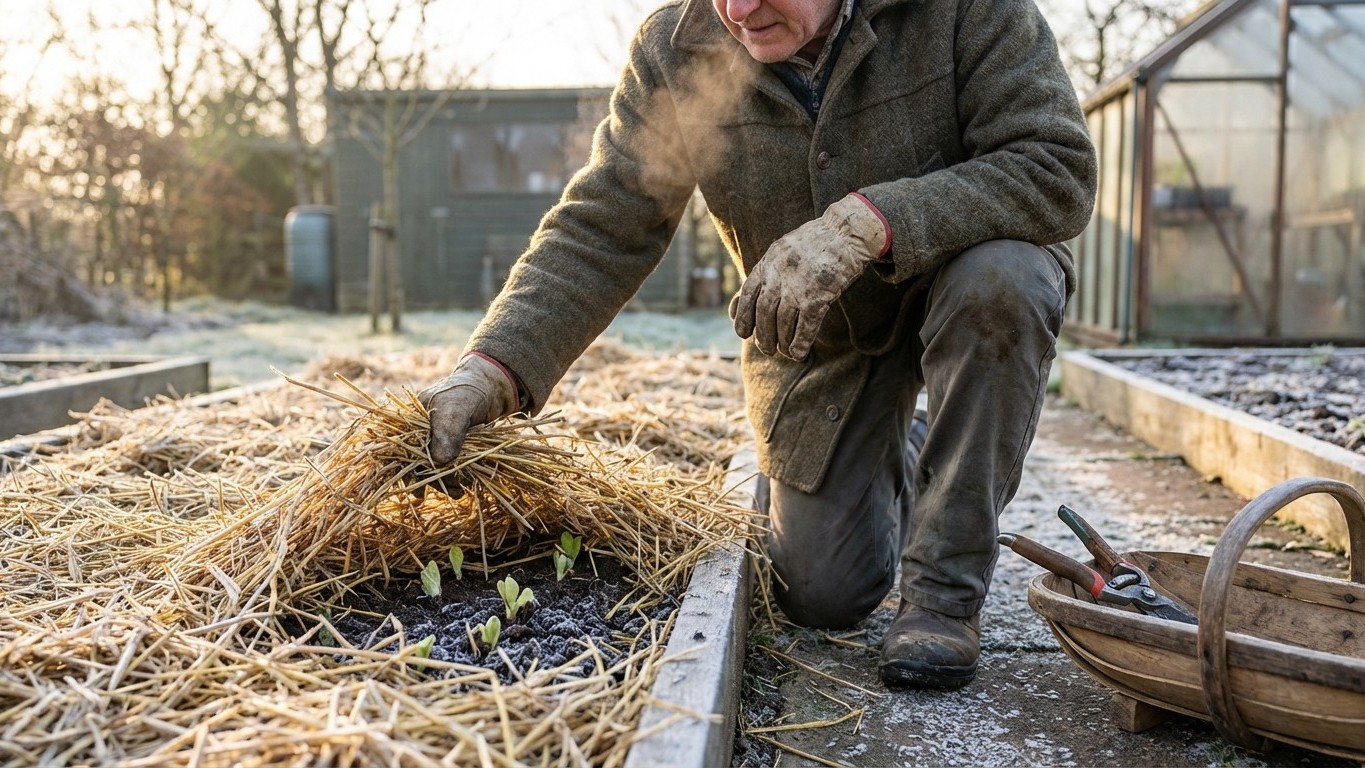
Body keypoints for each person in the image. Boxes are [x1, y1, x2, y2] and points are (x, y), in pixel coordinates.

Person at [419, 0, 1097, 690]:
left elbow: (1054, 167)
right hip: (820, 343)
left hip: (968, 295)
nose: (739, 10)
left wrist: (870, 222)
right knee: (821, 594)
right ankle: (914, 443)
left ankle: (943, 596)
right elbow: (604, 223)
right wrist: (493, 367)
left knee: (1004, 280)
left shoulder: (963, 11)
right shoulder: (675, 47)